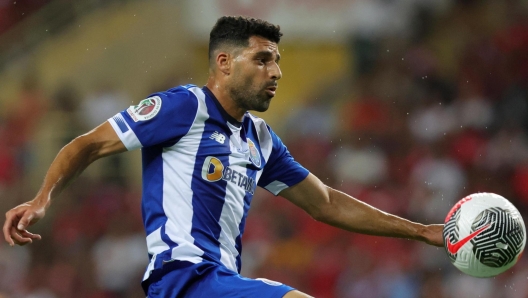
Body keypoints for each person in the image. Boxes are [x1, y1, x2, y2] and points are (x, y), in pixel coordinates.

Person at [3, 16, 444, 298]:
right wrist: (43, 198)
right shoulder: (184, 107)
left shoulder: (260, 139)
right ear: (224, 62)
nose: (276, 72)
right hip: (183, 280)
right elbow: (87, 144)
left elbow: (325, 202)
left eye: (278, 62)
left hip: (220, 284)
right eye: (263, 59)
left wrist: (421, 231)